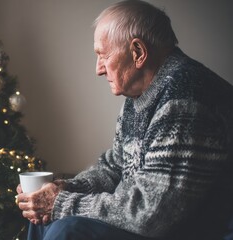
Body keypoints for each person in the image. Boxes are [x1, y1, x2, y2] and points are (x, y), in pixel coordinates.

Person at [16, 0, 233, 239]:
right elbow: (114, 167)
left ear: (138, 52)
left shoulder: (185, 96)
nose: (98, 69)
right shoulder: (140, 95)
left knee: (68, 228)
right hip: (153, 221)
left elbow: (152, 214)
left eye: (103, 55)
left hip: (193, 229)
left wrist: (62, 203)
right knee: (43, 216)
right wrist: (64, 189)